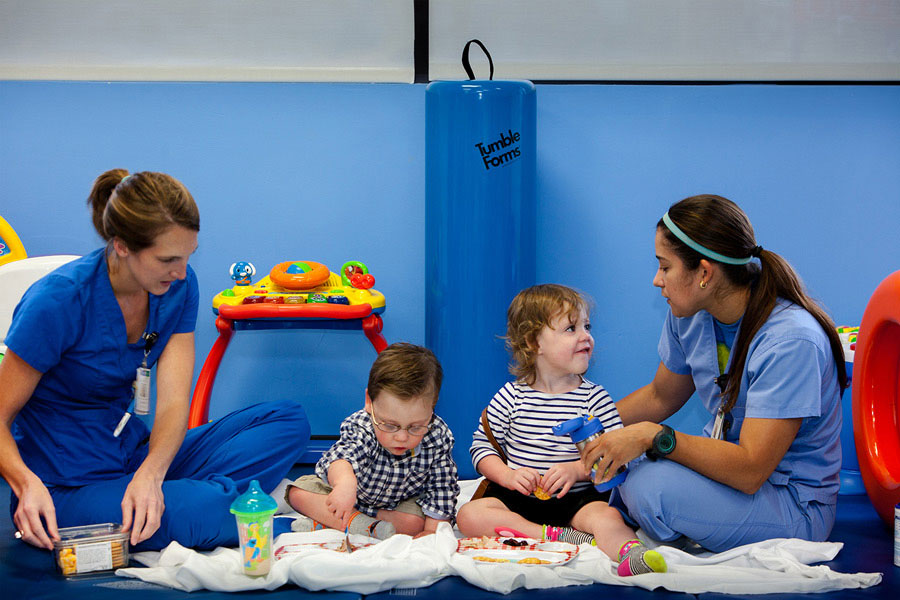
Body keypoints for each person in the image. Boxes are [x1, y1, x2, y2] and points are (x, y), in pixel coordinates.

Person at [0, 168, 310, 552]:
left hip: (132, 455)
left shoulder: (178, 286)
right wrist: (25, 484)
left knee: (287, 421)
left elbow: (176, 400)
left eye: (188, 256)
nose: (180, 272)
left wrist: (151, 473)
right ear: (123, 246)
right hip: (64, 486)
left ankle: (188, 498)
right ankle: (223, 503)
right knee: (205, 510)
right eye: (167, 259)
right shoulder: (58, 300)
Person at [582, 194, 847, 554]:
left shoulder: (791, 341)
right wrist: (588, 426)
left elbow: (752, 469)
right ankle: (690, 524)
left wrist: (654, 436)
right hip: (727, 482)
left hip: (791, 503)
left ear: (704, 273)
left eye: (664, 266)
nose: (656, 280)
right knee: (627, 467)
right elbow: (661, 395)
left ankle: (682, 525)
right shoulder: (688, 316)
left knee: (649, 488)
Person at [456, 284, 667, 576]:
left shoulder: (595, 398)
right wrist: (507, 475)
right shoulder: (511, 396)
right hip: (520, 501)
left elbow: (617, 456)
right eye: (571, 328)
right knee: (469, 515)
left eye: (587, 326)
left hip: (577, 502)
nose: (586, 337)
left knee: (606, 517)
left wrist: (576, 469)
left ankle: (630, 553)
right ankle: (548, 535)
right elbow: (482, 448)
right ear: (534, 343)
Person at [286, 342, 459, 539]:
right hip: (350, 496)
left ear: (432, 407)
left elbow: (442, 487)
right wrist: (344, 484)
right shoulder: (362, 425)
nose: (402, 437)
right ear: (369, 402)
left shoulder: (437, 435)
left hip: (396, 505)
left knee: (415, 523)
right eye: (390, 425)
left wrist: (432, 531)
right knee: (297, 493)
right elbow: (343, 457)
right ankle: (362, 524)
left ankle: (338, 522)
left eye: (416, 427)